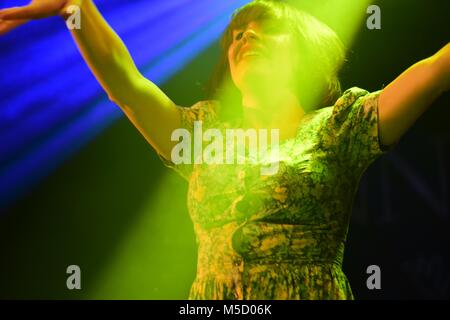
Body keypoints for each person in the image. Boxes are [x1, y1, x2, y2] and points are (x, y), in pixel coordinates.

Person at [0, 0, 448, 300]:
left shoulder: (339, 125)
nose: (245, 37)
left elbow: (432, 72)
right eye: (236, 33)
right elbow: (128, 87)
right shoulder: (200, 131)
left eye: (264, 28)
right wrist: (74, 8)